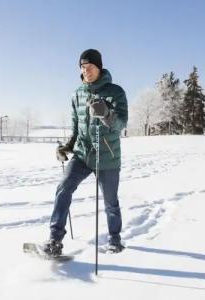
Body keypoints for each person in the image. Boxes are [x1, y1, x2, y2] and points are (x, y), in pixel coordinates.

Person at [43, 49, 128, 255]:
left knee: (110, 202)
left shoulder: (115, 92)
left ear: (99, 67)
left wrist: (106, 114)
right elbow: (76, 129)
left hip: (107, 156)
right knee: (63, 188)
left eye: (90, 67)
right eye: (82, 67)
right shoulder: (77, 94)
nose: (86, 71)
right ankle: (55, 240)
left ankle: (115, 240)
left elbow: (121, 124)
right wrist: (66, 147)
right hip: (82, 154)